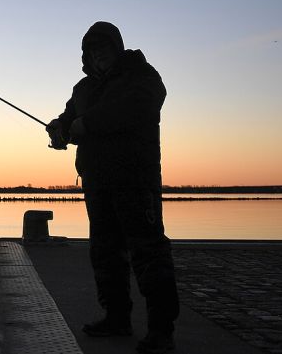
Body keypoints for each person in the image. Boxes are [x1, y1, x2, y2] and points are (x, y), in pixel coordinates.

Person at [46, 21, 179, 354]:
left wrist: (85, 124)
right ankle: (116, 317)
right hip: (97, 181)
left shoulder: (142, 76)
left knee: (148, 252)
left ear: (117, 48)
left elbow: (134, 108)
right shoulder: (83, 88)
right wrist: (59, 130)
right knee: (105, 253)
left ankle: (161, 330)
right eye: (91, 50)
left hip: (135, 179)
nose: (97, 54)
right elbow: (68, 117)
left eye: (103, 48)